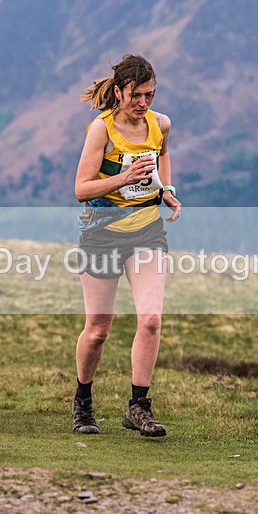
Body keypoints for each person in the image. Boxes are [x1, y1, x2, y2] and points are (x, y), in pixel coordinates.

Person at [72, 54, 181, 437]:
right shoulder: (101, 130)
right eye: (136, 95)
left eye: (150, 94)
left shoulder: (160, 124)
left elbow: (162, 154)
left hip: (147, 233)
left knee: (150, 320)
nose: (143, 103)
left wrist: (165, 190)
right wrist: (124, 178)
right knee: (98, 329)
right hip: (102, 235)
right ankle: (83, 401)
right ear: (119, 92)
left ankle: (138, 406)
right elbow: (81, 189)